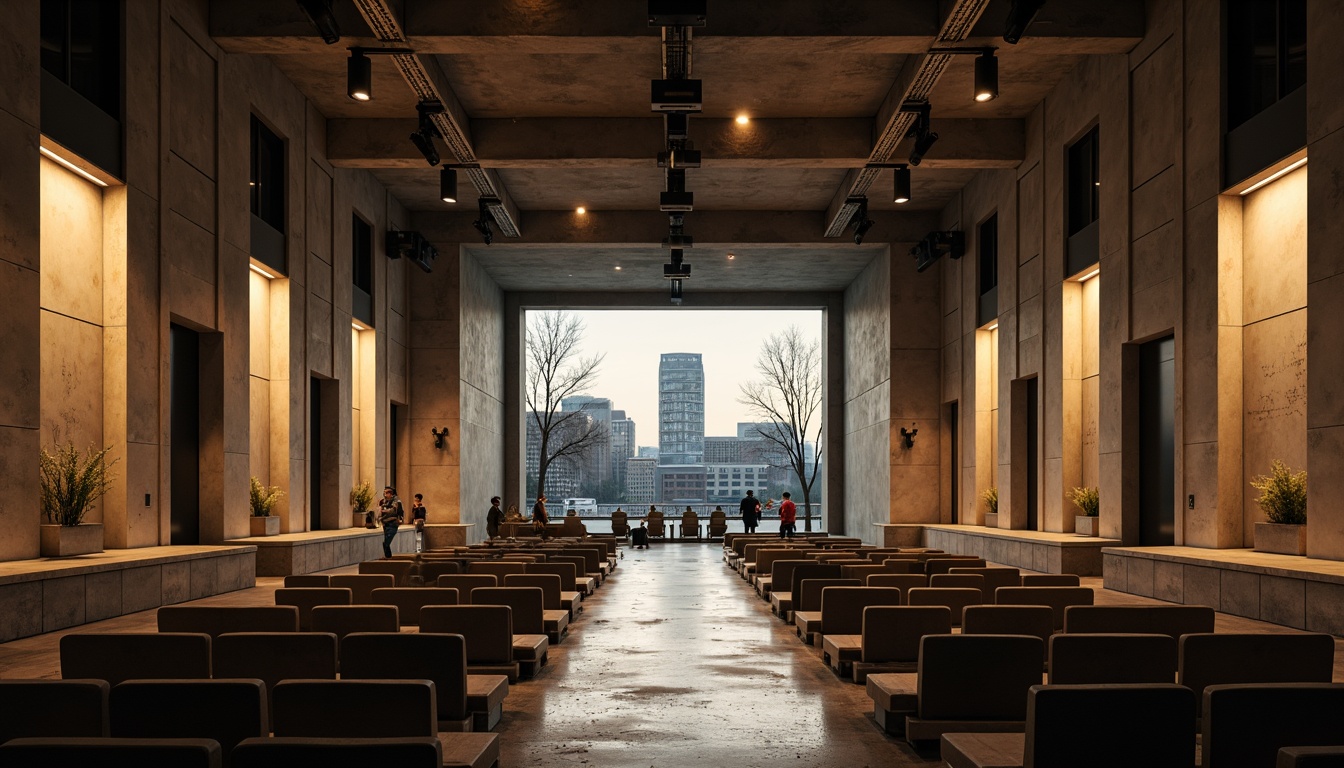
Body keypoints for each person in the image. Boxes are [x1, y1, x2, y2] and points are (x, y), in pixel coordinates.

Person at [378, 486, 405, 558]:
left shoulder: (396, 501)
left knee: (386, 542)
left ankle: (388, 557)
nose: (385, 494)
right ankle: (388, 557)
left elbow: (394, 510)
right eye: (384, 493)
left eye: (386, 493)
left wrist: (385, 510)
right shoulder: (384, 501)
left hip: (392, 522)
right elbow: (381, 510)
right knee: (386, 541)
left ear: (391, 494)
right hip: (385, 523)